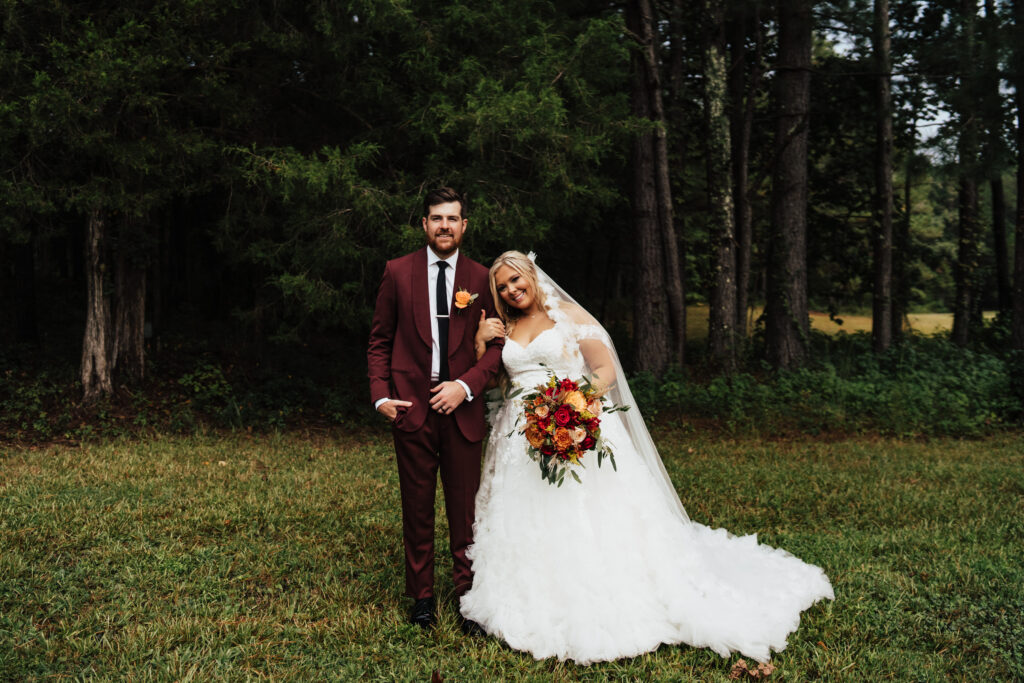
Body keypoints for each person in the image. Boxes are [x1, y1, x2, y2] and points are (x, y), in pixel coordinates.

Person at [459, 251, 834, 664]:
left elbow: (604, 367)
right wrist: (481, 343)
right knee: (523, 515)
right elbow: (495, 379)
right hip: (519, 436)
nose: (512, 290)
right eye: (503, 287)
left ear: (531, 274)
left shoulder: (564, 313)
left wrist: (575, 404)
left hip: (574, 418)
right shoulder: (504, 326)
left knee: (589, 513)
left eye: (516, 280)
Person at [367, 188, 503, 634]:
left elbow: (497, 346)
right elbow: (380, 340)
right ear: (424, 225)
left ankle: (468, 598)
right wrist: (380, 395)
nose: (444, 226)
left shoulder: (483, 278)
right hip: (412, 408)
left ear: (465, 226)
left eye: (453, 218)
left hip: (461, 411)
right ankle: (422, 597)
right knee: (417, 507)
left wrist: (464, 387)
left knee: (466, 511)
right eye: (436, 218)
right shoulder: (397, 272)